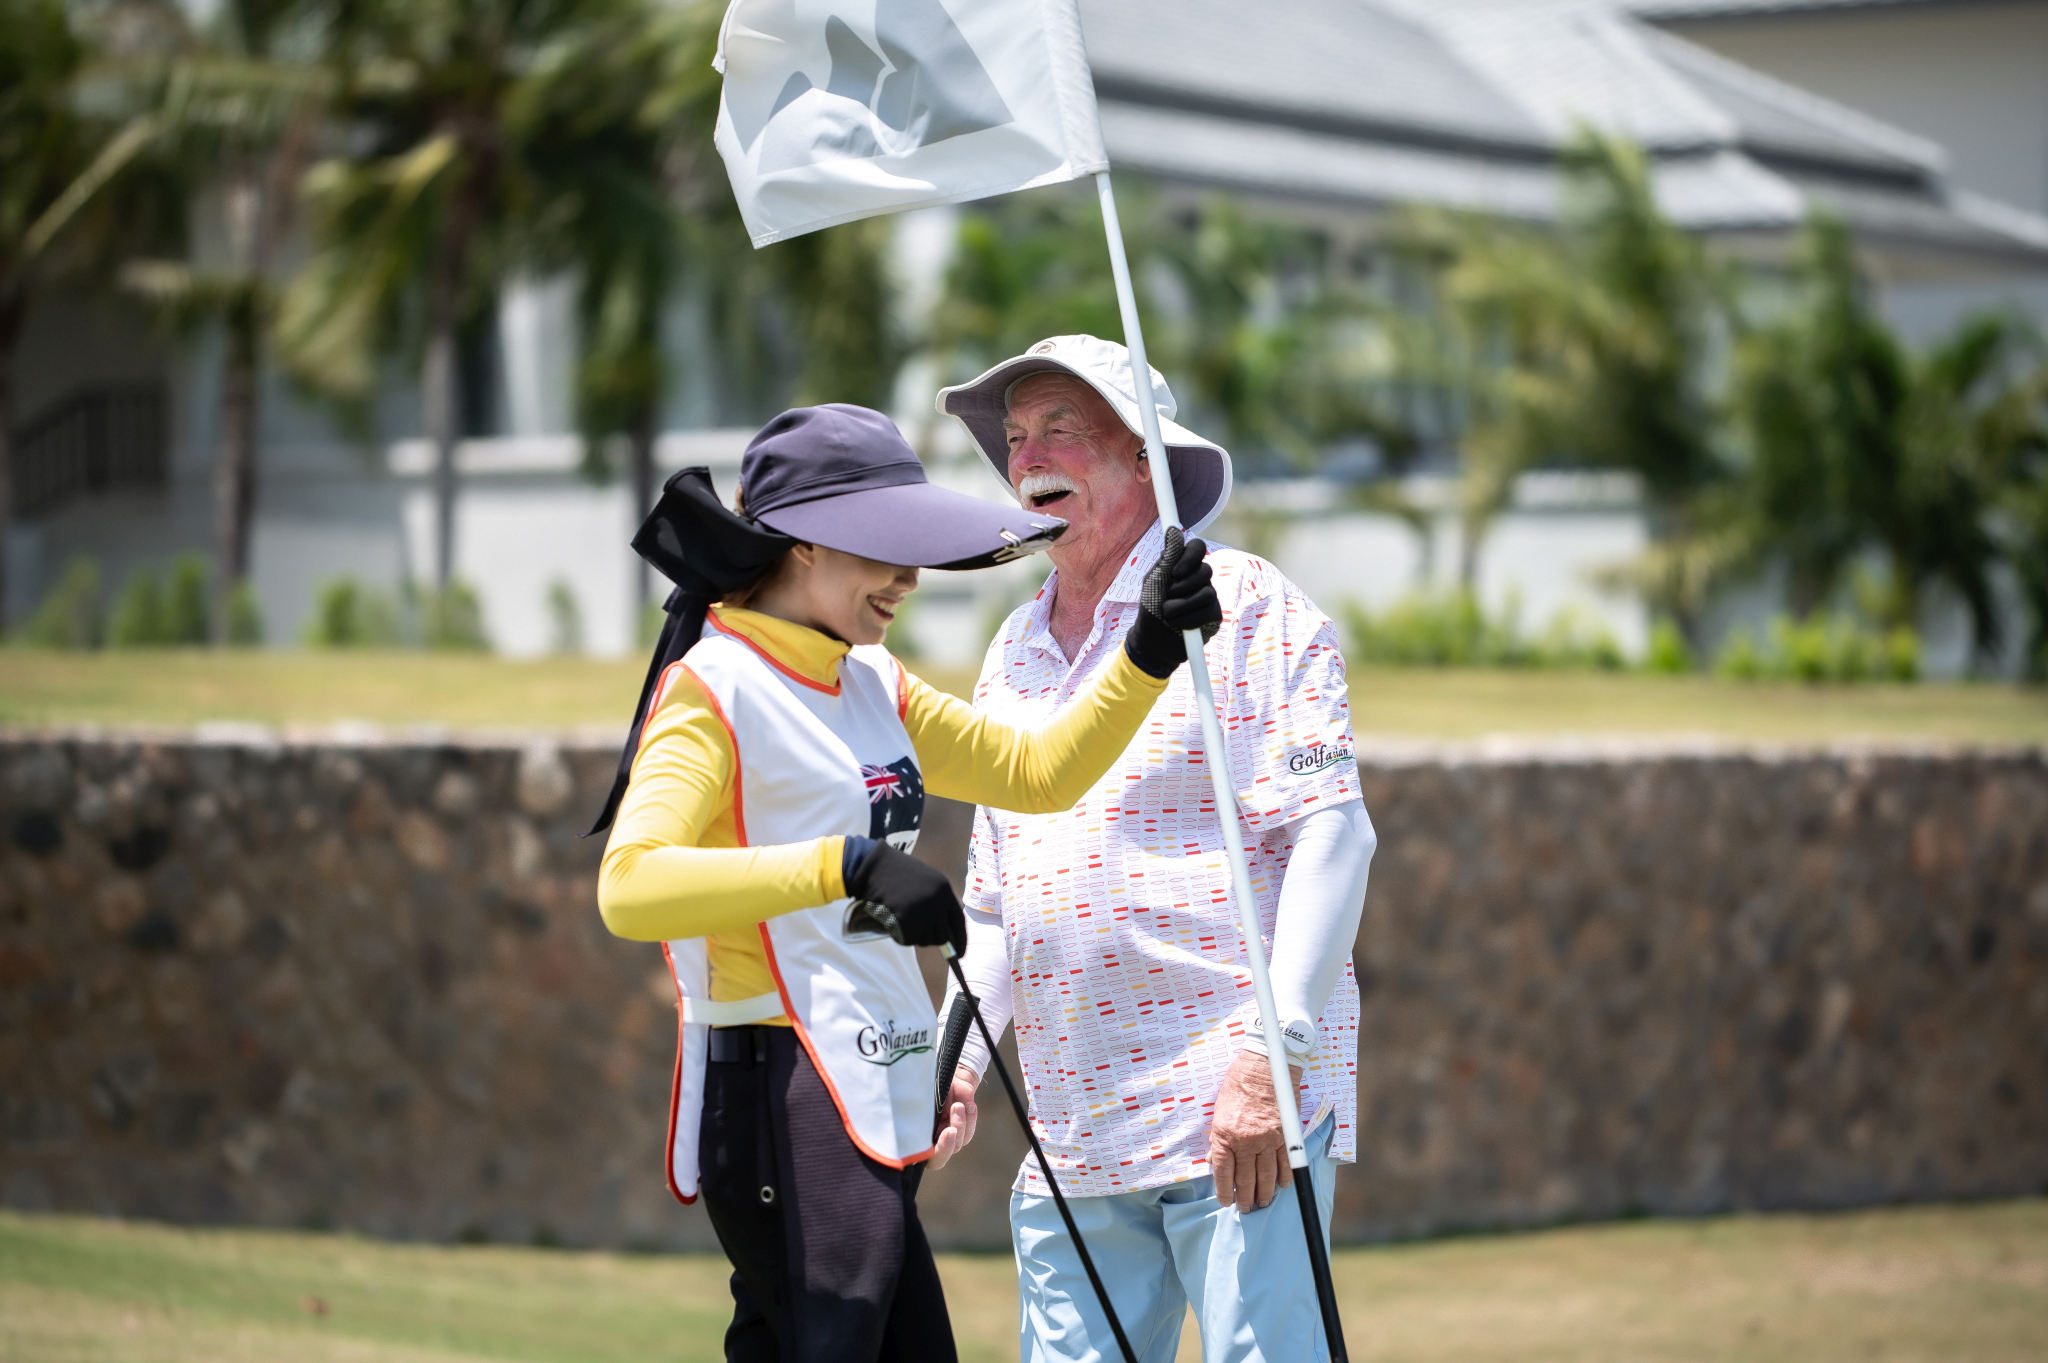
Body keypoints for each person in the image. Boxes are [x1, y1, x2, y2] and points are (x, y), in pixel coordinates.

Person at [589, 403, 1223, 1363]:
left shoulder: (870, 678)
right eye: (883, 549)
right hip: (780, 1088)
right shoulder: (715, 687)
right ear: (803, 542)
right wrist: (844, 865)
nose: (908, 579)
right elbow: (629, 884)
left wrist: (1145, 652)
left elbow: (1036, 773)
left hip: (866, 1078)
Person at [928, 337, 1377, 1363]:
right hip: (1072, 1135)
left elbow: (1333, 832)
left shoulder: (1245, 603)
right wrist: (956, 1058)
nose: (1027, 455)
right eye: (1015, 436)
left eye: (1061, 429)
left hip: (1233, 1113)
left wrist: (1271, 1058)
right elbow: (995, 900)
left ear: (1146, 459)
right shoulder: (1011, 646)